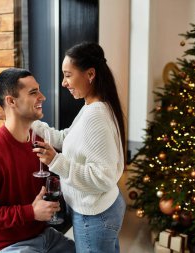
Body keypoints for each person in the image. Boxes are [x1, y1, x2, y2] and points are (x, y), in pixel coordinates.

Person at [0, 68, 75, 253]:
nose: (42, 97)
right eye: (33, 92)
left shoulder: (38, 141)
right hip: (8, 246)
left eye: (38, 90)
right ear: (11, 101)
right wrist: (30, 212)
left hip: (45, 236)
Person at [32, 41, 126, 253]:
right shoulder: (93, 106)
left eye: (67, 74)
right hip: (103, 209)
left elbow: (102, 177)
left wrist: (56, 161)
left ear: (90, 74)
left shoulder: (96, 115)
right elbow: (69, 137)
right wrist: (33, 122)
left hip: (96, 216)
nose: (63, 83)